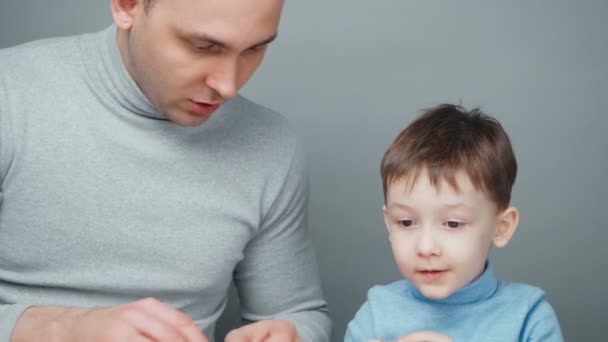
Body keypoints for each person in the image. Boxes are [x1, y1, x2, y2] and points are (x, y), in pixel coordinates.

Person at [0, 0, 331, 341]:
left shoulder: (271, 143)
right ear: (127, 6)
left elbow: (296, 312)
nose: (228, 86)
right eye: (203, 46)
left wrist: (292, 334)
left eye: (254, 49)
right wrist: (61, 329)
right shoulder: (9, 94)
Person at [345, 104, 563, 341]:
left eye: (453, 224)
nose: (426, 248)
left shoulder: (528, 316)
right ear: (389, 224)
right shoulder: (377, 314)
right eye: (406, 222)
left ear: (501, 228)